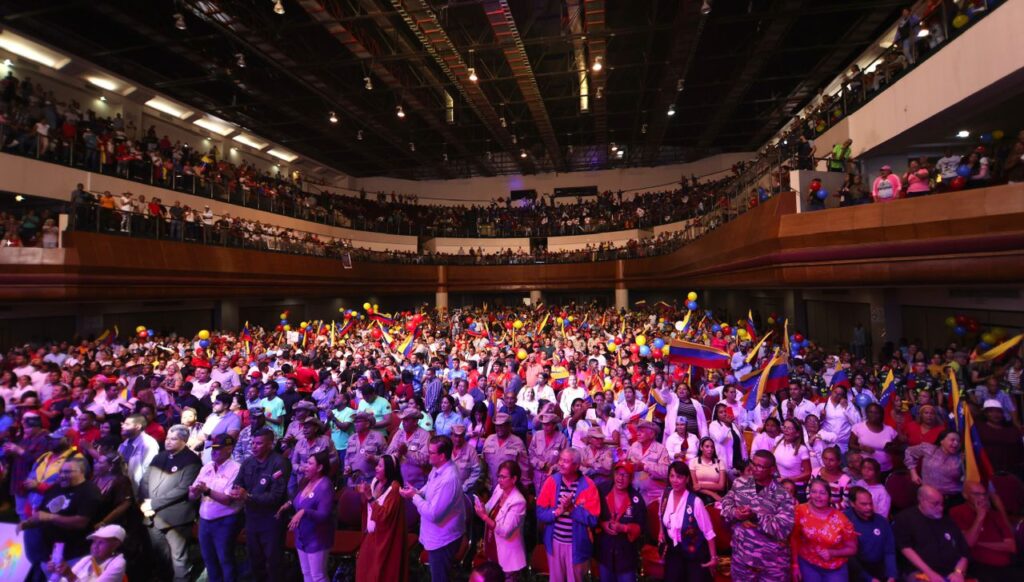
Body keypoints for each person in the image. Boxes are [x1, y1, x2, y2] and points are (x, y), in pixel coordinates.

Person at [18, 457, 101, 581]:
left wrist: (51, 517)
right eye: (61, 471)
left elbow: (81, 522)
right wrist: (28, 523)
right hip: (50, 555)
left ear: (81, 472)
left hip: (76, 555)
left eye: (67, 472)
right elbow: (42, 514)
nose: (62, 475)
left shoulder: (89, 491)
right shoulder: (55, 488)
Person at [720, 450, 796, 581]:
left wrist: (756, 517)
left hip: (772, 565)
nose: (754, 469)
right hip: (742, 560)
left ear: (772, 470)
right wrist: (735, 513)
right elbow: (725, 506)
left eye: (760, 466)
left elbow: (783, 529)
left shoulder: (783, 495)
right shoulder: (739, 484)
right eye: (753, 464)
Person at [140, 424, 201, 582]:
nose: (168, 442)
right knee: (160, 557)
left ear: (184, 441)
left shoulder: (192, 460)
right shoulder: (160, 456)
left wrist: (152, 504)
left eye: (173, 439)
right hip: (153, 515)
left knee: (178, 558)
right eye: (167, 438)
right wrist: (146, 503)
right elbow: (145, 480)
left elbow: (183, 489)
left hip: (177, 517)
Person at [400, 435, 466, 582]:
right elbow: (430, 487)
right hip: (436, 536)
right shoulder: (438, 468)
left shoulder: (449, 479)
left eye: (431, 452)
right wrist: (417, 492)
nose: (428, 455)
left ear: (442, 456)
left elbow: (433, 514)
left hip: (443, 540)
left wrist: (414, 497)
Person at [231, 427, 291, 582]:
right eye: (253, 443)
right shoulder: (248, 462)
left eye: (259, 443)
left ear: (270, 444)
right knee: (255, 559)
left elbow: (276, 496)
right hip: (251, 518)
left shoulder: (280, 463)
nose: (254, 446)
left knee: (273, 561)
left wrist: (248, 496)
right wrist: (236, 492)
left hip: (271, 519)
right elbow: (238, 484)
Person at [189, 434, 242, 582]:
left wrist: (206, 490)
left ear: (229, 449)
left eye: (218, 449)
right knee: (209, 559)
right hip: (204, 521)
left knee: (225, 559)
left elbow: (228, 500)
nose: (214, 451)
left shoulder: (236, 469)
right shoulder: (207, 466)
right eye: (212, 448)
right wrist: (193, 492)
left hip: (225, 521)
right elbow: (192, 496)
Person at [893, 485, 969, 582]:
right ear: (921, 500)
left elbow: (964, 552)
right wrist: (930, 573)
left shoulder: (947, 521)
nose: (940, 508)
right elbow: (905, 548)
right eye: (935, 504)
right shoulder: (905, 519)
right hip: (920, 572)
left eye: (942, 504)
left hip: (951, 573)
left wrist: (958, 572)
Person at [659, 461, 718, 582]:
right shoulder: (665, 495)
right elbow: (661, 515)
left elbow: (709, 532)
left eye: (679, 477)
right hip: (674, 550)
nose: (675, 480)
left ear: (686, 479)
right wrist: (661, 532)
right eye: (672, 476)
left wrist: (713, 557)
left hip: (694, 552)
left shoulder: (695, 502)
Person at [281, 450, 335, 582]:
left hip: (317, 538)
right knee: (306, 573)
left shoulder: (325, 486)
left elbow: (324, 515)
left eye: (310, 463)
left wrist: (305, 512)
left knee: (318, 576)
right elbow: (298, 499)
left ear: (320, 467)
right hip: (302, 536)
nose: (305, 466)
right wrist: (288, 504)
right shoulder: (306, 481)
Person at [949, 481, 1020, 580]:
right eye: (977, 494)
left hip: (1007, 565)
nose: (982, 498)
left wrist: (980, 543)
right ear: (965, 495)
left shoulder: (995, 515)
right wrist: (980, 517)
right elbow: (968, 543)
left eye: (984, 494)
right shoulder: (957, 512)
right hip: (980, 565)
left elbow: (1011, 546)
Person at [792, 478, 858, 581]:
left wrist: (832, 553)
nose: (818, 496)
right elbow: (794, 539)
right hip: (808, 563)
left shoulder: (841, 520)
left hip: (835, 567)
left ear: (829, 497)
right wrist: (795, 565)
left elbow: (852, 549)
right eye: (814, 492)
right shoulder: (800, 511)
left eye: (822, 493)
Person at [356, 454, 408, 582]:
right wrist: (363, 494)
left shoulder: (394, 489)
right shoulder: (375, 481)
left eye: (380, 466)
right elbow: (367, 508)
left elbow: (384, 516)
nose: (376, 468)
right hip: (370, 535)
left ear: (389, 469)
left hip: (385, 540)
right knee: (364, 572)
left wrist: (369, 497)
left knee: (380, 574)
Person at [474, 459, 527, 581]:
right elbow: (489, 508)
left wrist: (484, 517)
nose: (499, 480)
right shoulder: (499, 489)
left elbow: (505, 531)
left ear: (514, 479)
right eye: (498, 476)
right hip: (492, 548)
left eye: (503, 477)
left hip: (507, 555)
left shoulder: (518, 501)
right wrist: (482, 507)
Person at [595, 460, 647, 582]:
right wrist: (602, 524)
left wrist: (624, 528)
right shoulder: (602, 490)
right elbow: (591, 515)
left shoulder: (636, 499)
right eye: (618, 473)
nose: (620, 478)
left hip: (626, 555)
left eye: (625, 475)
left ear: (631, 478)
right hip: (604, 552)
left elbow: (642, 527)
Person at [844, 486, 898, 582]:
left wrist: (891, 576)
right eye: (864, 504)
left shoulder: (881, 521)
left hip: (879, 570)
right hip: (856, 572)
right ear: (852, 503)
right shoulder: (844, 521)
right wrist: (869, 579)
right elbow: (848, 557)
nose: (869, 507)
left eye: (870, 503)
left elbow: (889, 551)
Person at [48, 524, 128, 582]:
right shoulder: (87, 559)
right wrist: (57, 572)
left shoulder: (118, 564)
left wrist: (69, 575)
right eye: (94, 542)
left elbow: (70, 577)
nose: (95, 546)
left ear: (115, 545)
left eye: (101, 542)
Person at [905, 429, 964, 506]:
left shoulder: (961, 458)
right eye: (952, 440)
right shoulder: (929, 449)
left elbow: (966, 478)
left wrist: (964, 463)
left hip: (952, 498)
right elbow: (909, 452)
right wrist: (913, 473)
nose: (956, 443)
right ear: (941, 441)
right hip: (928, 496)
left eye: (958, 441)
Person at [387, 406, 432, 490]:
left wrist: (407, 452)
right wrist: (398, 453)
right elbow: (388, 453)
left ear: (415, 421)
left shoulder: (424, 435)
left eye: (406, 420)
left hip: (416, 484)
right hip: (397, 482)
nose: (403, 422)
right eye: (403, 420)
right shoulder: (399, 434)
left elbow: (425, 460)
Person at [482, 413, 529, 492]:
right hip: (490, 487)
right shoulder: (489, 440)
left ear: (509, 426)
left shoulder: (518, 442)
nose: (499, 428)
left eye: (502, 425)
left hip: (509, 489)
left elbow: (524, 469)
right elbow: (484, 465)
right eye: (497, 425)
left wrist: (524, 488)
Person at [626, 420, 670, 504]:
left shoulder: (661, 449)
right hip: (634, 492)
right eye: (637, 431)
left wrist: (644, 467)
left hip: (653, 495)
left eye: (641, 431)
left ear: (651, 434)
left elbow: (666, 471)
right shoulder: (634, 446)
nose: (637, 434)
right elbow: (627, 463)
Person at [118, 414, 160, 495]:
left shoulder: (149, 443)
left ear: (138, 427)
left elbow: (148, 470)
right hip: (125, 489)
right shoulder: (124, 443)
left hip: (140, 491)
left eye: (127, 424)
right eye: (123, 424)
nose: (122, 426)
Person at [850, 403, 897, 473]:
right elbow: (851, 445)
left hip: (885, 469)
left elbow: (897, 448)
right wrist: (862, 448)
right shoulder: (858, 427)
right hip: (866, 471)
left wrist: (891, 448)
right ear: (866, 413)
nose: (873, 415)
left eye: (876, 413)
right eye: (870, 412)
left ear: (881, 415)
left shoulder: (889, 430)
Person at [529, 412, 568, 494]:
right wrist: (540, 464)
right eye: (544, 424)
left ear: (554, 426)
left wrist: (554, 467)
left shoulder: (562, 438)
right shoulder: (537, 435)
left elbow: (565, 458)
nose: (545, 427)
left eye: (548, 425)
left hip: (554, 475)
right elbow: (531, 454)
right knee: (539, 500)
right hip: (538, 476)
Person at [344, 412, 386, 485]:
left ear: (367, 424)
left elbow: (387, 457)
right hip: (353, 480)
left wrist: (375, 458)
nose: (355, 424)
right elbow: (347, 457)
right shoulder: (351, 438)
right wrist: (347, 467)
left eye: (359, 422)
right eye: (355, 422)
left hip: (372, 480)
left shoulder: (378, 436)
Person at [775, 418, 812, 501]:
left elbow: (808, 473)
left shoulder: (802, 449)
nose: (786, 430)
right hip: (779, 484)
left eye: (790, 428)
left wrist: (788, 479)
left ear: (797, 433)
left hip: (795, 488)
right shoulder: (777, 441)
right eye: (784, 427)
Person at [689, 436, 727, 503]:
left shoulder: (719, 462)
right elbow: (694, 487)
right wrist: (711, 494)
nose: (710, 449)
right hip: (699, 494)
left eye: (712, 447)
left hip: (717, 494)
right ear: (701, 448)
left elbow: (721, 486)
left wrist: (701, 485)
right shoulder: (693, 462)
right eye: (707, 446)